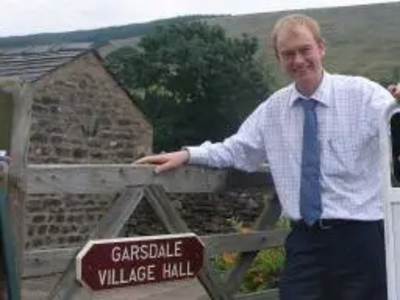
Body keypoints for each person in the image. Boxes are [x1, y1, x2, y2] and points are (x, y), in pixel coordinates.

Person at [136, 14, 400, 300]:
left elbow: (395, 127)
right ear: (278, 58)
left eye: (305, 49)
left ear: (321, 47)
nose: (298, 60)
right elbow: (236, 149)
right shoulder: (272, 110)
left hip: (361, 238)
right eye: (288, 54)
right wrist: (188, 155)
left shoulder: (362, 94)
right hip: (306, 241)